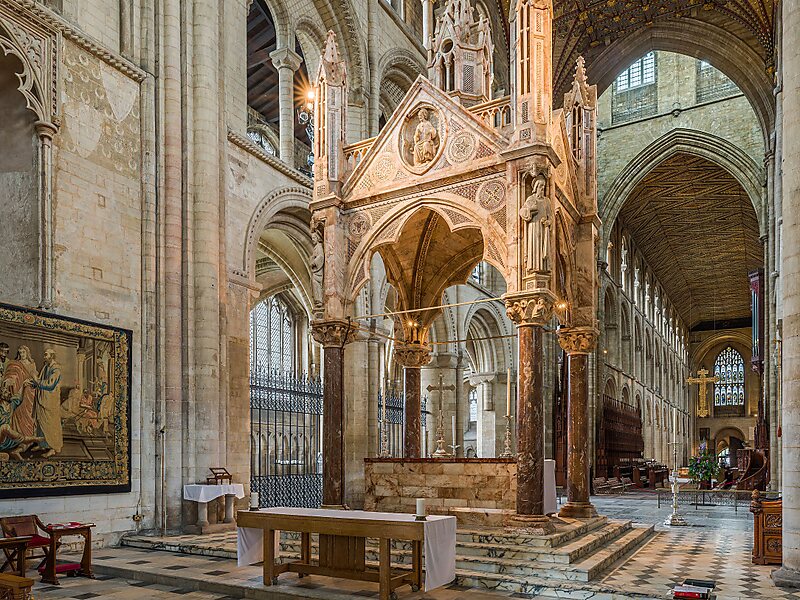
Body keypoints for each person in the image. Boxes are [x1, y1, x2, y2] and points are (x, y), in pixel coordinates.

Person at [27, 348, 63, 458]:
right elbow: (40, 381)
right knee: (41, 422)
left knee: (50, 424)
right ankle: (42, 444)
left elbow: (50, 385)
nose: (44, 356)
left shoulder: (56, 369)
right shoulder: (46, 367)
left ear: (52, 356)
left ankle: (53, 448)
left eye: (46, 355)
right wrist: (32, 383)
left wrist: (36, 379)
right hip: (42, 399)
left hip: (50, 402)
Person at [4, 345, 37, 438]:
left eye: (23, 352)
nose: (22, 354)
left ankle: (28, 436)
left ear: (27, 353)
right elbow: (11, 376)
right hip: (18, 390)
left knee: (28, 413)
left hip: (29, 392)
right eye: (20, 353)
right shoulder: (16, 364)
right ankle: (18, 436)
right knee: (17, 411)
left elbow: (35, 379)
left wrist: (29, 381)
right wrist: (10, 380)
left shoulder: (32, 364)